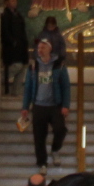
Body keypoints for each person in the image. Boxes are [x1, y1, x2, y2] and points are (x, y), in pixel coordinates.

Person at [21, 38, 71, 170]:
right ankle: (42, 162)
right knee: (39, 136)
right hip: (38, 105)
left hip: (55, 105)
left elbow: (66, 86)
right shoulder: (33, 66)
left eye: (42, 47)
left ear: (49, 48)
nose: (40, 50)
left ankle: (55, 149)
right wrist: (25, 106)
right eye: (38, 48)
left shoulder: (59, 65)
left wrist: (66, 105)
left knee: (60, 129)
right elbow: (28, 88)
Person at [1, 0, 30, 93]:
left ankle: (16, 92)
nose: (15, 2)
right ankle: (0, 79)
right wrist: (13, 42)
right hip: (11, 49)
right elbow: (5, 32)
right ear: (7, 2)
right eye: (12, 0)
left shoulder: (18, 15)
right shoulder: (5, 15)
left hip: (21, 48)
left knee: (22, 69)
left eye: (16, 0)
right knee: (16, 66)